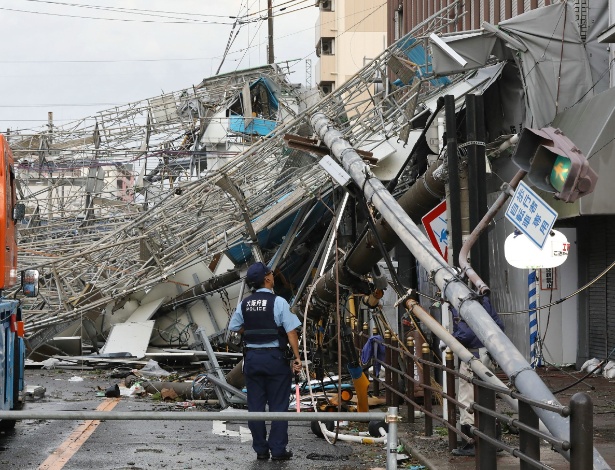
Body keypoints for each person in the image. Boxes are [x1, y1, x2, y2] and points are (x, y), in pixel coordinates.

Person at [228, 261, 302, 461]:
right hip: (275, 359)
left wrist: (251, 331)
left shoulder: (245, 303)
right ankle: (278, 450)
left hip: (252, 359)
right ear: (267, 278)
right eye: (270, 273)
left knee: (255, 406)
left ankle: (261, 450)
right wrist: (297, 357)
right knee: (279, 405)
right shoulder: (279, 302)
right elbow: (291, 331)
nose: (272, 276)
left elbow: (234, 326)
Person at [449, 295, 504, 457]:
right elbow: (499, 325)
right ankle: (493, 438)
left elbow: (466, 334)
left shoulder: (461, 304)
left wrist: (451, 338)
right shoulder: (484, 301)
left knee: (467, 398)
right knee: (486, 396)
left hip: (472, 356)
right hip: (488, 353)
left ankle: (473, 442)